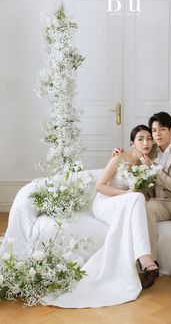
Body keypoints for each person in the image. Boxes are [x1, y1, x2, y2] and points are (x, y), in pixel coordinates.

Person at [41, 125, 158, 308]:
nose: (146, 142)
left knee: (137, 198)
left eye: (149, 139)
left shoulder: (148, 163)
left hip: (127, 204)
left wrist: (149, 171)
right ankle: (144, 257)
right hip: (105, 203)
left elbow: (148, 194)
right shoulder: (119, 157)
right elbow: (100, 186)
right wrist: (126, 194)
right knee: (135, 197)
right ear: (132, 143)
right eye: (141, 139)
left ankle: (143, 258)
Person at [114, 112, 171, 278]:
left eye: (162, 129)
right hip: (161, 202)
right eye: (154, 130)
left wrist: (154, 169)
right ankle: (151, 265)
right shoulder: (152, 149)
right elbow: (135, 150)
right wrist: (120, 153)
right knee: (146, 208)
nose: (157, 134)